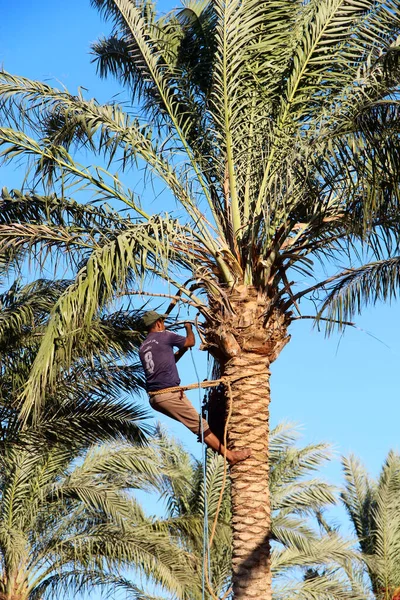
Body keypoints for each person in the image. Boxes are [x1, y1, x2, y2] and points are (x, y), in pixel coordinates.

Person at [139, 311, 251, 465]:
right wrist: (188, 328)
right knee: (200, 425)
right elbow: (190, 341)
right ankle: (230, 456)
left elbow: (167, 363)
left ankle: (215, 443)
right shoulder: (165, 336)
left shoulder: (143, 347)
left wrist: (181, 351)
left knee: (195, 423)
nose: (164, 325)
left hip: (155, 399)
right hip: (168, 395)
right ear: (158, 323)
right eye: (163, 322)